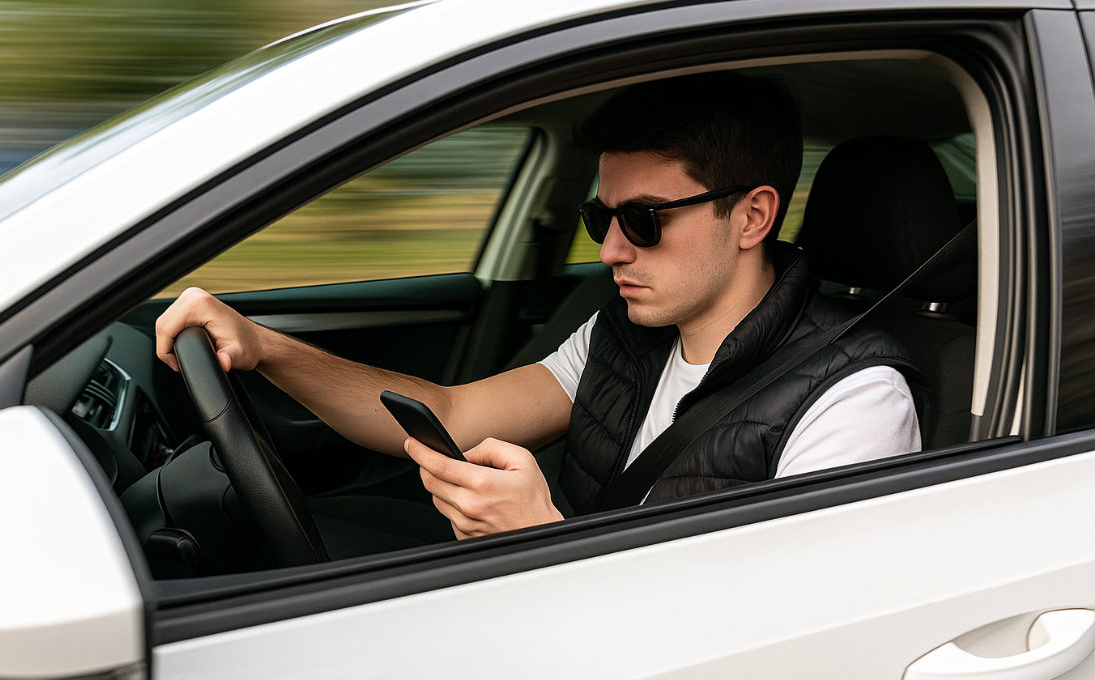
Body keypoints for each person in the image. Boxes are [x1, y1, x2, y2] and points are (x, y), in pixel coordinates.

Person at [156, 72, 921, 542]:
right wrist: (264, 347)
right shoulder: (625, 331)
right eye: (601, 218)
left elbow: (786, 641)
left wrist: (542, 535)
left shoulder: (852, 402)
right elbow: (452, 414)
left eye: (644, 220)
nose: (611, 251)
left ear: (752, 217)